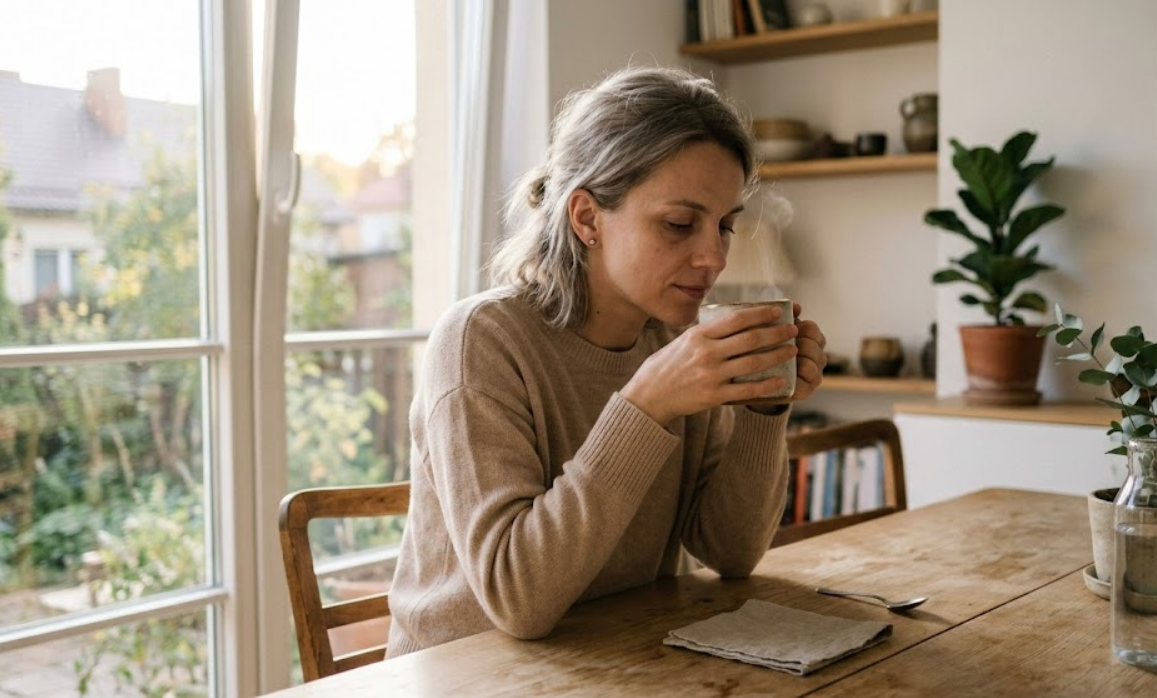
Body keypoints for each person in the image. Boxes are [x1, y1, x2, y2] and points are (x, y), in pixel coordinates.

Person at [386, 65, 827, 658]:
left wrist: (763, 403)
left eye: (723, 226)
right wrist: (647, 406)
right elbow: (518, 599)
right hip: (469, 674)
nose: (712, 257)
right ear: (587, 217)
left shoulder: (671, 338)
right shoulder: (480, 342)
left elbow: (730, 552)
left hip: (619, 659)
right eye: (679, 224)